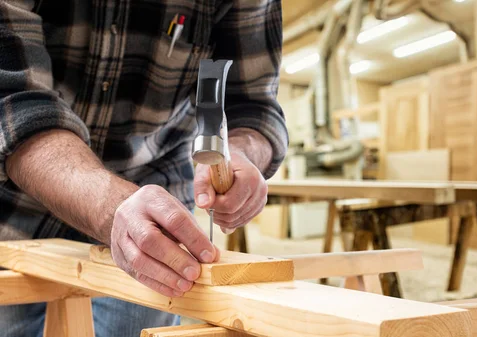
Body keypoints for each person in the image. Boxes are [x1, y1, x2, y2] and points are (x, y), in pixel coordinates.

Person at [0, 0, 288, 336]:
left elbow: (252, 104)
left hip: (152, 218)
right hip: (14, 203)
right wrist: (109, 203)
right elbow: (10, 98)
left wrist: (243, 150)